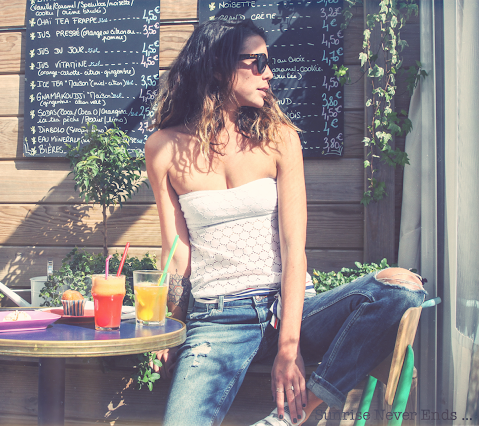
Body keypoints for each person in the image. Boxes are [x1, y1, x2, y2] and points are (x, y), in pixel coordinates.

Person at [144, 18, 427, 426]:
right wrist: (165, 326)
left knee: (400, 290)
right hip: (217, 319)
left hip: (291, 311)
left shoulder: (279, 138)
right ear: (220, 67)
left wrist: (288, 347)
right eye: (256, 62)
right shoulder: (163, 148)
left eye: (268, 62)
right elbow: (177, 253)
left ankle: (293, 415)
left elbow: (295, 251)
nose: (269, 73)